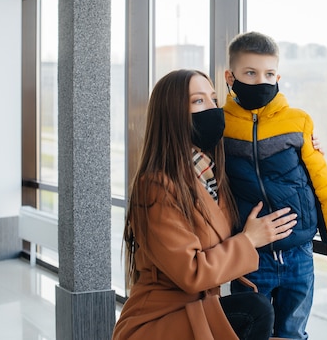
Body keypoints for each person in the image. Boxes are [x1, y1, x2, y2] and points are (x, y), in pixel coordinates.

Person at [112, 69, 298, 340]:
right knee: (255, 310)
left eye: (213, 100)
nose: (212, 109)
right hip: (159, 322)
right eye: (198, 101)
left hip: (197, 311)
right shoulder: (155, 185)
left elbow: (262, 163)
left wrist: (301, 145)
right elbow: (192, 273)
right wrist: (249, 240)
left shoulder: (210, 177)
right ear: (173, 115)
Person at [223, 31, 327, 339]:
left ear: (278, 76)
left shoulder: (298, 121)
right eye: (250, 73)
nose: (260, 81)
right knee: (250, 333)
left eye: (268, 74)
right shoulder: (221, 125)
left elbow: (322, 183)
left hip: (299, 253)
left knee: (293, 333)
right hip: (250, 255)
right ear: (231, 77)